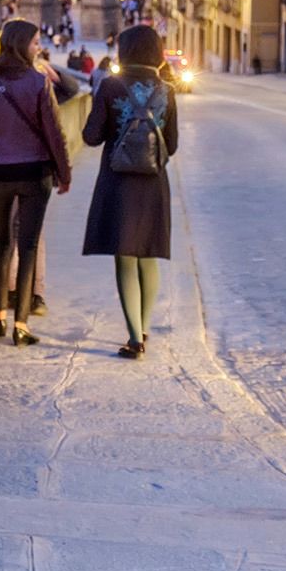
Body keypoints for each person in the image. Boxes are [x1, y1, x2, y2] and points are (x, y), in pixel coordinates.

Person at [0, 19, 71, 345]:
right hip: (34, 172)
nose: (39, 48)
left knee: (0, 244)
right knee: (27, 246)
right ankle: (21, 324)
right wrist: (64, 172)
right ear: (22, 44)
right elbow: (53, 132)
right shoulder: (39, 82)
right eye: (36, 42)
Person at [81, 26, 179, 359]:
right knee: (148, 255)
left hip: (118, 181)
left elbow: (91, 137)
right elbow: (174, 145)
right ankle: (145, 326)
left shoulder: (110, 86)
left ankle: (134, 337)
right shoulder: (167, 90)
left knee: (125, 257)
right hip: (153, 181)